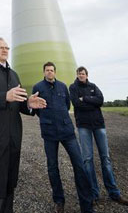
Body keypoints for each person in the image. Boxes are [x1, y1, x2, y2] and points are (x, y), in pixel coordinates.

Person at [0, 37, 47, 213]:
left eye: (7, 47)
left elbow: (18, 102)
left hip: (13, 136)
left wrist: (28, 104)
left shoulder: (14, 75)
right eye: (0, 48)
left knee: (8, 184)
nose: (5, 50)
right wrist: (4, 96)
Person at [32, 62, 94, 213]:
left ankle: (86, 203)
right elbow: (36, 109)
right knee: (53, 168)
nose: (50, 73)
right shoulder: (38, 87)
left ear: (55, 72)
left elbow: (67, 105)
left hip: (67, 131)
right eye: (47, 70)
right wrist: (48, 119)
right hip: (49, 133)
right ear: (43, 72)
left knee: (79, 165)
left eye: (52, 70)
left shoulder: (62, 86)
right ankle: (59, 200)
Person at [69, 66, 128, 207]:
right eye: (79, 73)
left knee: (106, 158)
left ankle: (114, 193)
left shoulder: (93, 86)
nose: (81, 75)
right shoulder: (73, 88)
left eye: (83, 73)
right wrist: (91, 102)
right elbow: (76, 104)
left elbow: (100, 100)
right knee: (87, 160)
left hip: (99, 125)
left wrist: (85, 98)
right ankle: (93, 194)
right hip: (84, 125)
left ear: (87, 75)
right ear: (77, 75)